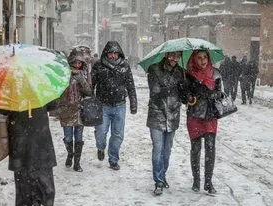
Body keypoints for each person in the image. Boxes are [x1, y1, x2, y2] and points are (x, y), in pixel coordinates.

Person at [0, 102, 58, 206]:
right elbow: (53, 105)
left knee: (22, 170)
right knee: (40, 169)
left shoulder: (13, 88)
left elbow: (3, 109)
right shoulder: (41, 86)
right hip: (40, 131)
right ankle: (37, 201)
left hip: (19, 132)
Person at [146, 51, 189, 195]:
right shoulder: (154, 69)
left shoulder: (182, 73)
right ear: (166, 55)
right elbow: (155, 92)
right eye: (171, 55)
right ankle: (158, 180)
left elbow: (183, 98)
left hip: (173, 116)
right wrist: (173, 88)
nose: (174, 59)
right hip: (157, 114)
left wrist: (185, 92)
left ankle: (162, 174)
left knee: (167, 151)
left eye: (177, 56)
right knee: (158, 149)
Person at [91, 41, 137, 170]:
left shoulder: (125, 66)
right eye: (110, 53)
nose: (112, 56)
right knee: (101, 132)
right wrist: (88, 101)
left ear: (119, 54)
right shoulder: (99, 66)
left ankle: (113, 159)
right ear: (106, 53)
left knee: (118, 134)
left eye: (115, 53)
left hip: (120, 105)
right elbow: (91, 85)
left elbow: (131, 86)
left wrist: (133, 103)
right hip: (102, 105)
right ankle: (100, 147)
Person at [185, 50, 223, 194]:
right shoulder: (188, 75)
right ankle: (196, 180)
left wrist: (211, 93)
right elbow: (185, 96)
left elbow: (220, 93)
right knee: (195, 149)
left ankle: (208, 182)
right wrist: (188, 95)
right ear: (194, 59)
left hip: (211, 117)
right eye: (199, 58)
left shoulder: (216, 73)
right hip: (194, 116)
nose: (203, 61)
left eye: (205, 57)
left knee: (210, 149)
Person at [57, 51, 92, 172]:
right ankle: (70, 154)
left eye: (80, 62)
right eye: (75, 62)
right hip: (66, 109)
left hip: (79, 109)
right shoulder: (63, 73)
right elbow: (58, 89)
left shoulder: (84, 74)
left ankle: (77, 162)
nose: (77, 65)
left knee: (79, 138)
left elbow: (89, 91)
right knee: (67, 137)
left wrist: (81, 79)